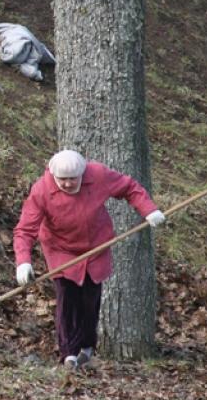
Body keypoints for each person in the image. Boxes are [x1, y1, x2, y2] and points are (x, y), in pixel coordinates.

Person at [13, 150, 166, 369]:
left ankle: (86, 347)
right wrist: (23, 261)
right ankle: (69, 353)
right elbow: (25, 230)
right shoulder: (41, 190)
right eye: (62, 180)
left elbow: (129, 187)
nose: (67, 184)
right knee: (68, 299)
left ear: (82, 174)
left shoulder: (98, 175)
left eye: (72, 179)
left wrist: (148, 210)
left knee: (90, 299)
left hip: (96, 247)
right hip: (61, 250)